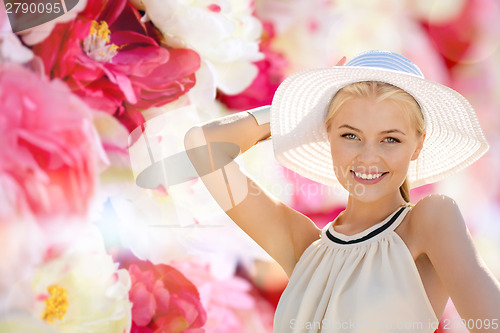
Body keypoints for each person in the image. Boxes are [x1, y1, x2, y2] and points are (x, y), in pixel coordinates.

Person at [183, 50, 500, 332]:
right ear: (327, 134)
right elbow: (204, 148)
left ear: (417, 145)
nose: (367, 156)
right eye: (350, 135)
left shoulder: (430, 219)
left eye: (391, 139)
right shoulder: (305, 247)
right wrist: (301, 113)